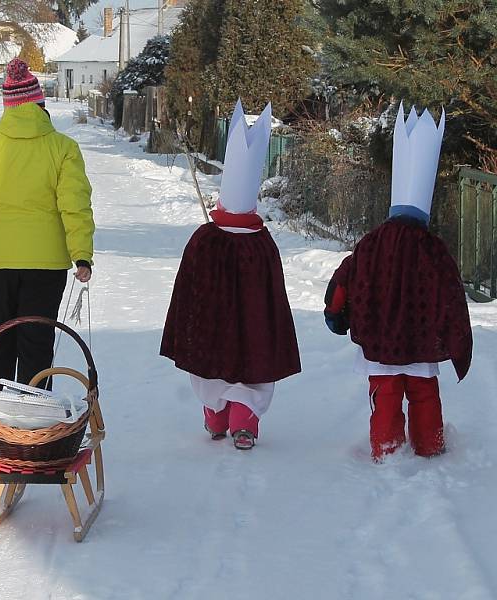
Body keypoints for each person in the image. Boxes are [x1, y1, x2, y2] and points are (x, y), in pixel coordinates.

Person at [324, 103, 472, 461]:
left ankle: (387, 447)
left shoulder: (372, 241)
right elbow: (451, 294)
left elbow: (346, 276)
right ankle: (429, 445)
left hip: (380, 340)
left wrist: (336, 312)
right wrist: (457, 338)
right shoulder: (433, 247)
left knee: (385, 393)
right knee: (424, 393)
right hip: (421, 340)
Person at [0, 58, 94, 390]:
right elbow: (75, 206)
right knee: (37, 345)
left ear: (8, 106)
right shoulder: (63, 149)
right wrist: (81, 254)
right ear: (40, 103)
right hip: (46, 264)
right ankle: (32, 430)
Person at [160, 100, 301, 450]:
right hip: (252, 326)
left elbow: (187, 287)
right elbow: (274, 295)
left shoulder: (205, 239)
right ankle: (244, 419)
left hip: (211, 325)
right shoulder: (263, 243)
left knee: (211, 364)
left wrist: (186, 324)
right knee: (251, 362)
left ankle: (216, 414)